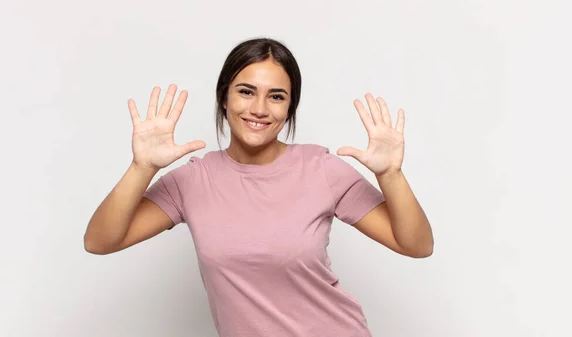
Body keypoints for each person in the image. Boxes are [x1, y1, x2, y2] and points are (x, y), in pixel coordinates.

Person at [84, 37, 434, 337]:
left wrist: (391, 175)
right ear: (224, 98)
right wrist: (141, 168)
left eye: (277, 97)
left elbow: (416, 245)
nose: (259, 109)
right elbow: (100, 241)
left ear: (289, 108)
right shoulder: (193, 180)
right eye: (246, 92)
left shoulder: (322, 169)